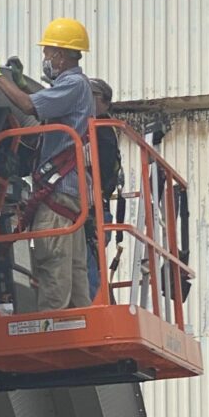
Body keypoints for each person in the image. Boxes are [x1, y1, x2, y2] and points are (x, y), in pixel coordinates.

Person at [0, 17, 94, 311]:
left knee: (53, 265)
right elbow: (44, 105)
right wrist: (19, 83)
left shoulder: (72, 83)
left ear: (60, 54)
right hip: (70, 193)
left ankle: (52, 328)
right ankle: (80, 327)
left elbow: (30, 107)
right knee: (74, 271)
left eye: (47, 53)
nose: (45, 58)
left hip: (58, 192)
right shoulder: (75, 87)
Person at [85, 78, 123, 298]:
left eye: (91, 96)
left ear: (105, 101)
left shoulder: (101, 130)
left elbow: (99, 168)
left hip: (95, 211)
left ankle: (94, 307)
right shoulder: (100, 129)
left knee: (88, 267)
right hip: (96, 211)